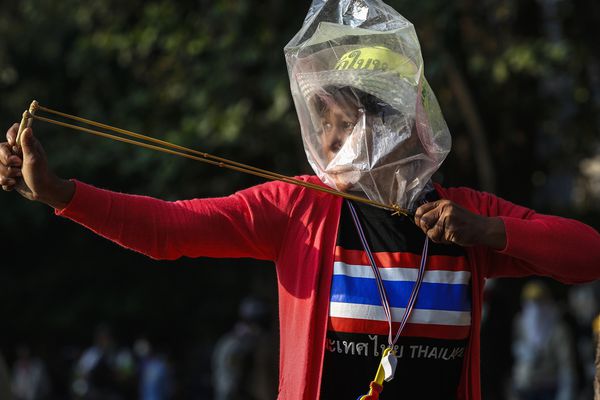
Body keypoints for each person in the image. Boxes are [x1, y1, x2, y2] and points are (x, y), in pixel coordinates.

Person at [1, 1, 600, 399]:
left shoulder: (465, 217)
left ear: (398, 122)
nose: (330, 140)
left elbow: (588, 255)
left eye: (346, 122)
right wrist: (61, 195)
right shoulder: (298, 210)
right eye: (323, 125)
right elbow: (169, 231)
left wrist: (490, 233)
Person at [511, 281, 577, 400]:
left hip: (550, 387)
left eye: (539, 301)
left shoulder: (558, 329)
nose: (535, 308)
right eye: (530, 302)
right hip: (526, 386)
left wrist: (566, 391)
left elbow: (567, 364)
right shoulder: (520, 323)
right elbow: (515, 348)